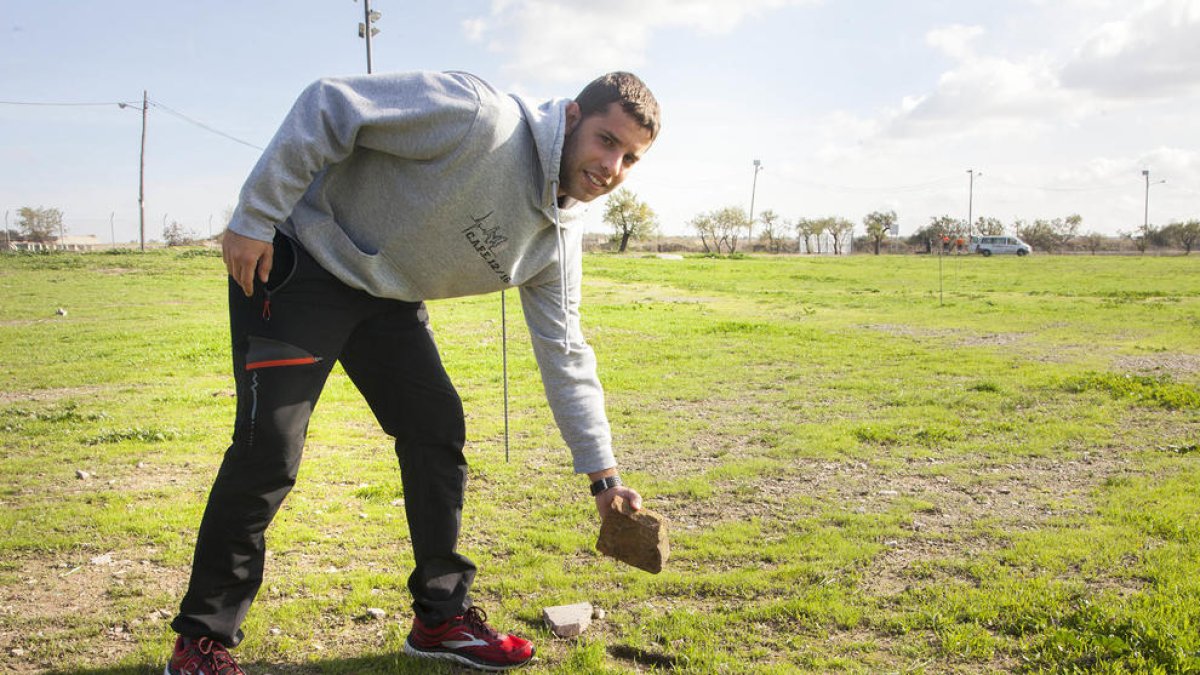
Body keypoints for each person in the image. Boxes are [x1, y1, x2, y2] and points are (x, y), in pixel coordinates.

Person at [164, 70, 659, 674]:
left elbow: (564, 349)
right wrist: (254, 215)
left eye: (631, 158)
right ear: (575, 118)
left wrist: (604, 480)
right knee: (269, 449)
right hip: (303, 263)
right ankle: (202, 640)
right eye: (608, 141)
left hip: (387, 295)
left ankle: (440, 619)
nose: (614, 167)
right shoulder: (481, 118)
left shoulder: (558, 236)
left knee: (435, 430)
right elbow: (332, 103)